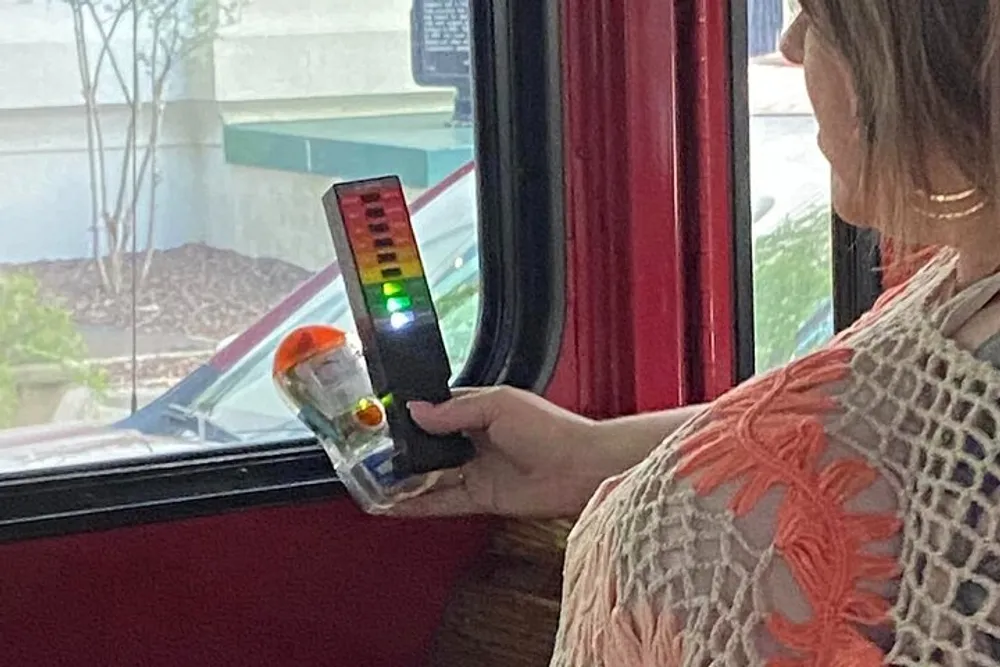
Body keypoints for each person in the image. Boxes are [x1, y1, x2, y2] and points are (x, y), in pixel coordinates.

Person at [393, 1, 1000, 664]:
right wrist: (586, 451)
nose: (792, 44)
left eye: (822, 17)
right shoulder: (952, 269)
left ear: (936, 60)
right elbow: (887, 432)